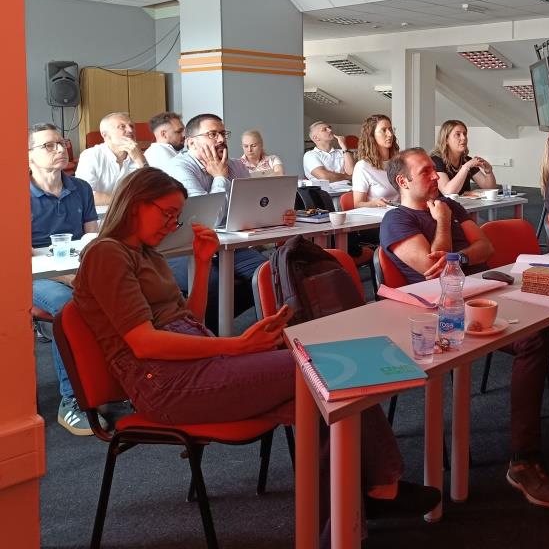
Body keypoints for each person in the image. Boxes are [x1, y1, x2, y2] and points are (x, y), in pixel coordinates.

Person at [71, 168, 439, 531]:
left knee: (325, 394)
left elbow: (189, 320)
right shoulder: (107, 254)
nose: (172, 225)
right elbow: (143, 342)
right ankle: (374, 494)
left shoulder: (146, 254)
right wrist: (237, 346)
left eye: (175, 217)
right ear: (136, 203)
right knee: (324, 367)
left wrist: (203, 263)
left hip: (192, 364)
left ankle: (349, 515)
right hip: (163, 383)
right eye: (167, 214)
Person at [380, 148, 549, 508]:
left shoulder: (448, 204)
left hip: (483, 293)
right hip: (443, 313)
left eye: (433, 170)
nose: (436, 175)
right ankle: (523, 462)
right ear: (403, 181)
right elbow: (433, 268)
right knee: (532, 340)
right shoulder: (397, 220)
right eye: (425, 171)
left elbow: (485, 247)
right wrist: (443, 223)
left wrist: (459, 255)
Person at [163, 113, 291, 332]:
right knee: (214, 284)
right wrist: (220, 177)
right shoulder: (178, 168)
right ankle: (211, 338)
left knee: (270, 273)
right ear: (191, 142)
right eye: (212, 134)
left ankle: (267, 333)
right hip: (187, 248)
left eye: (223, 133)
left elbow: (251, 209)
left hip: (229, 245)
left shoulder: (236, 167)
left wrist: (279, 217)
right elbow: (207, 221)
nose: (221, 139)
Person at [29, 123, 99, 435]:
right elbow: (23, 254)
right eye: (48, 145)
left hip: (77, 270)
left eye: (61, 143)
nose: (60, 149)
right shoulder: (16, 193)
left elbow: (91, 238)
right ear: (28, 155)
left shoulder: (80, 188)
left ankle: (120, 383)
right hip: (36, 277)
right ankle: (72, 399)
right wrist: (68, 277)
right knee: (69, 306)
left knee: (130, 291)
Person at [75, 111, 146, 205]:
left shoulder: (139, 156)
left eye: (131, 126)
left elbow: (153, 190)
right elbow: (85, 195)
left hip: (132, 211)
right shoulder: (90, 155)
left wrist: (141, 161)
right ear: (105, 135)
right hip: (100, 213)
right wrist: (126, 200)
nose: (130, 130)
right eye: (122, 126)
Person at [431, 119, 497, 195]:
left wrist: (489, 171)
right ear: (446, 139)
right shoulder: (436, 161)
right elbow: (448, 192)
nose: (463, 138)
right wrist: (465, 167)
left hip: (464, 203)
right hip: (442, 203)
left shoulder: (467, 160)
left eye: (465, 134)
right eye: (458, 134)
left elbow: (490, 189)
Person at [351, 114, 399, 208]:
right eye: (383, 130)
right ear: (371, 135)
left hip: (402, 212)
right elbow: (357, 204)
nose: (390, 134)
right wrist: (375, 203)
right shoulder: (362, 167)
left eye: (390, 129)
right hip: (380, 214)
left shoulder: (399, 161)